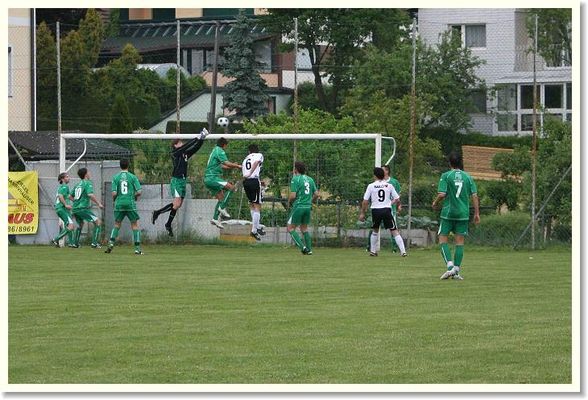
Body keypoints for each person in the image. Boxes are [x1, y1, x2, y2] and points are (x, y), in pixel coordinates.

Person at [432, 151, 480, 280]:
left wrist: (435, 202)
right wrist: (476, 213)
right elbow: (474, 196)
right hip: (463, 213)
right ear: (461, 163)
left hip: (448, 213)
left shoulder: (446, 176)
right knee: (459, 242)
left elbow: (442, 194)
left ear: (449, 163)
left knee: (442, 240)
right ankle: (457, 271)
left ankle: (450, 267)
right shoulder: (468, 177)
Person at [152, 128, 208, 237]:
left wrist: (201, 139)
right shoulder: (175, 153)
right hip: (176, 181)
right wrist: (198, 136)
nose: (182, 144)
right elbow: (186, 147)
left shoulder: (185, 154)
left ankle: (163, 219)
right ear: (176, 145)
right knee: (176, 204)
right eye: (180, 143)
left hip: (183, 181)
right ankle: (163, 220)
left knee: (178, 205)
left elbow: (195, 148)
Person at [359, 167, 407, 257]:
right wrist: (395, 204)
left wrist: (362, 213)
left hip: (375, 210)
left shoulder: (371, 186)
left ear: (375, 176)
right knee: (394, 230)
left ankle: (373, 251)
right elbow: (397, 198)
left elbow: (365, 201)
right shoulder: (389, 185)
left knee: (375, 230)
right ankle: (403, 252)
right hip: (386, 209)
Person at [105, 159, 143, 255]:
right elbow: (139, 191)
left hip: (119, 203)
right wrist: (134, 196)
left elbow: (113, 193)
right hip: (130, 203)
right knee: (134, 225)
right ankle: (137, 249)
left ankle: (111, 243)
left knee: (117, 224)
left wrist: (115, 200)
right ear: (128, 165)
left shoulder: (115, 177)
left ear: (120, 166)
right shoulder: (132, 177)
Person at [204, 137, 242, 229]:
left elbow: (221, 165)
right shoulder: (219, 150)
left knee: (221, 197)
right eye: (226, 146)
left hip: (209, 178)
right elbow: (226, 163)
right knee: (232, 188)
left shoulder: (214, 150)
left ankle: (215, 219)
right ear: (224, 145)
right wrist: (237, 166)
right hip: (212, 177)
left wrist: (232, 166)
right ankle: (222, 207)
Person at [287, 161, 318, 255]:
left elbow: (293, 196)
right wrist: (310, 201)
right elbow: (316, 194)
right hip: (307, 207)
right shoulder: (310, 179)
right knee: (304, 228)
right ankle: (309, 249)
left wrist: (289, 202)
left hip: (299, 206)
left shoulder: (295, 179)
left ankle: (303, 248)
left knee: (290, 228)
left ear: (296, 169)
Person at [70, 167, 104, 248]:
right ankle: (94, 243)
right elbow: (90, 194)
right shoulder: (87, 183)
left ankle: (75, 243)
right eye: (88, 172)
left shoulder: (78, 184)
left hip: (75, 209)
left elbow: (70, 196)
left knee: (80, 224)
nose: (90, 173)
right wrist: (99, 203)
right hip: (82, 208)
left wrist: (76, 202)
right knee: (98, 222)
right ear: (86, 174)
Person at [242, 144, 266, 241]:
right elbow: (256, 162)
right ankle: (254, 230)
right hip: (253, 180)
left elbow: (244, 170)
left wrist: (248, 175)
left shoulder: (245, 159)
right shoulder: (258, 155)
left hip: (246, 182)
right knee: (257, 206)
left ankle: (258, 226)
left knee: (252, 205)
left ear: (249, 151)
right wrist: (251, 173)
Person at [51, 172, 75, 248]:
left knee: (68, 225)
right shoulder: (64, 187)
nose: (69, 178)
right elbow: (61, 196)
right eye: (67, 177)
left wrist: (76, 201)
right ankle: (56, 239)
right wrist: (65, 205)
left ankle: (71, 243)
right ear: (63, 179)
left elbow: (68, 196)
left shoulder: (63, 187)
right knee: (71, 225)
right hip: (61, 208)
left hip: (61, 209)